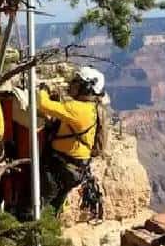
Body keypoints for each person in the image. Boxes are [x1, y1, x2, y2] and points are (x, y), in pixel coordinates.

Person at [37, 66, 110, 213]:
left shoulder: (77, 109)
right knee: (55, 204)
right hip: (76, 168)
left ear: (86, 88)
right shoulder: (92, 107)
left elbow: (42, 104)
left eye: (77, 82)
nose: (72, 84)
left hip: (59, 165)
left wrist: (43, 90)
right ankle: (49, 228)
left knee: (40, 204)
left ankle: (32, 230)